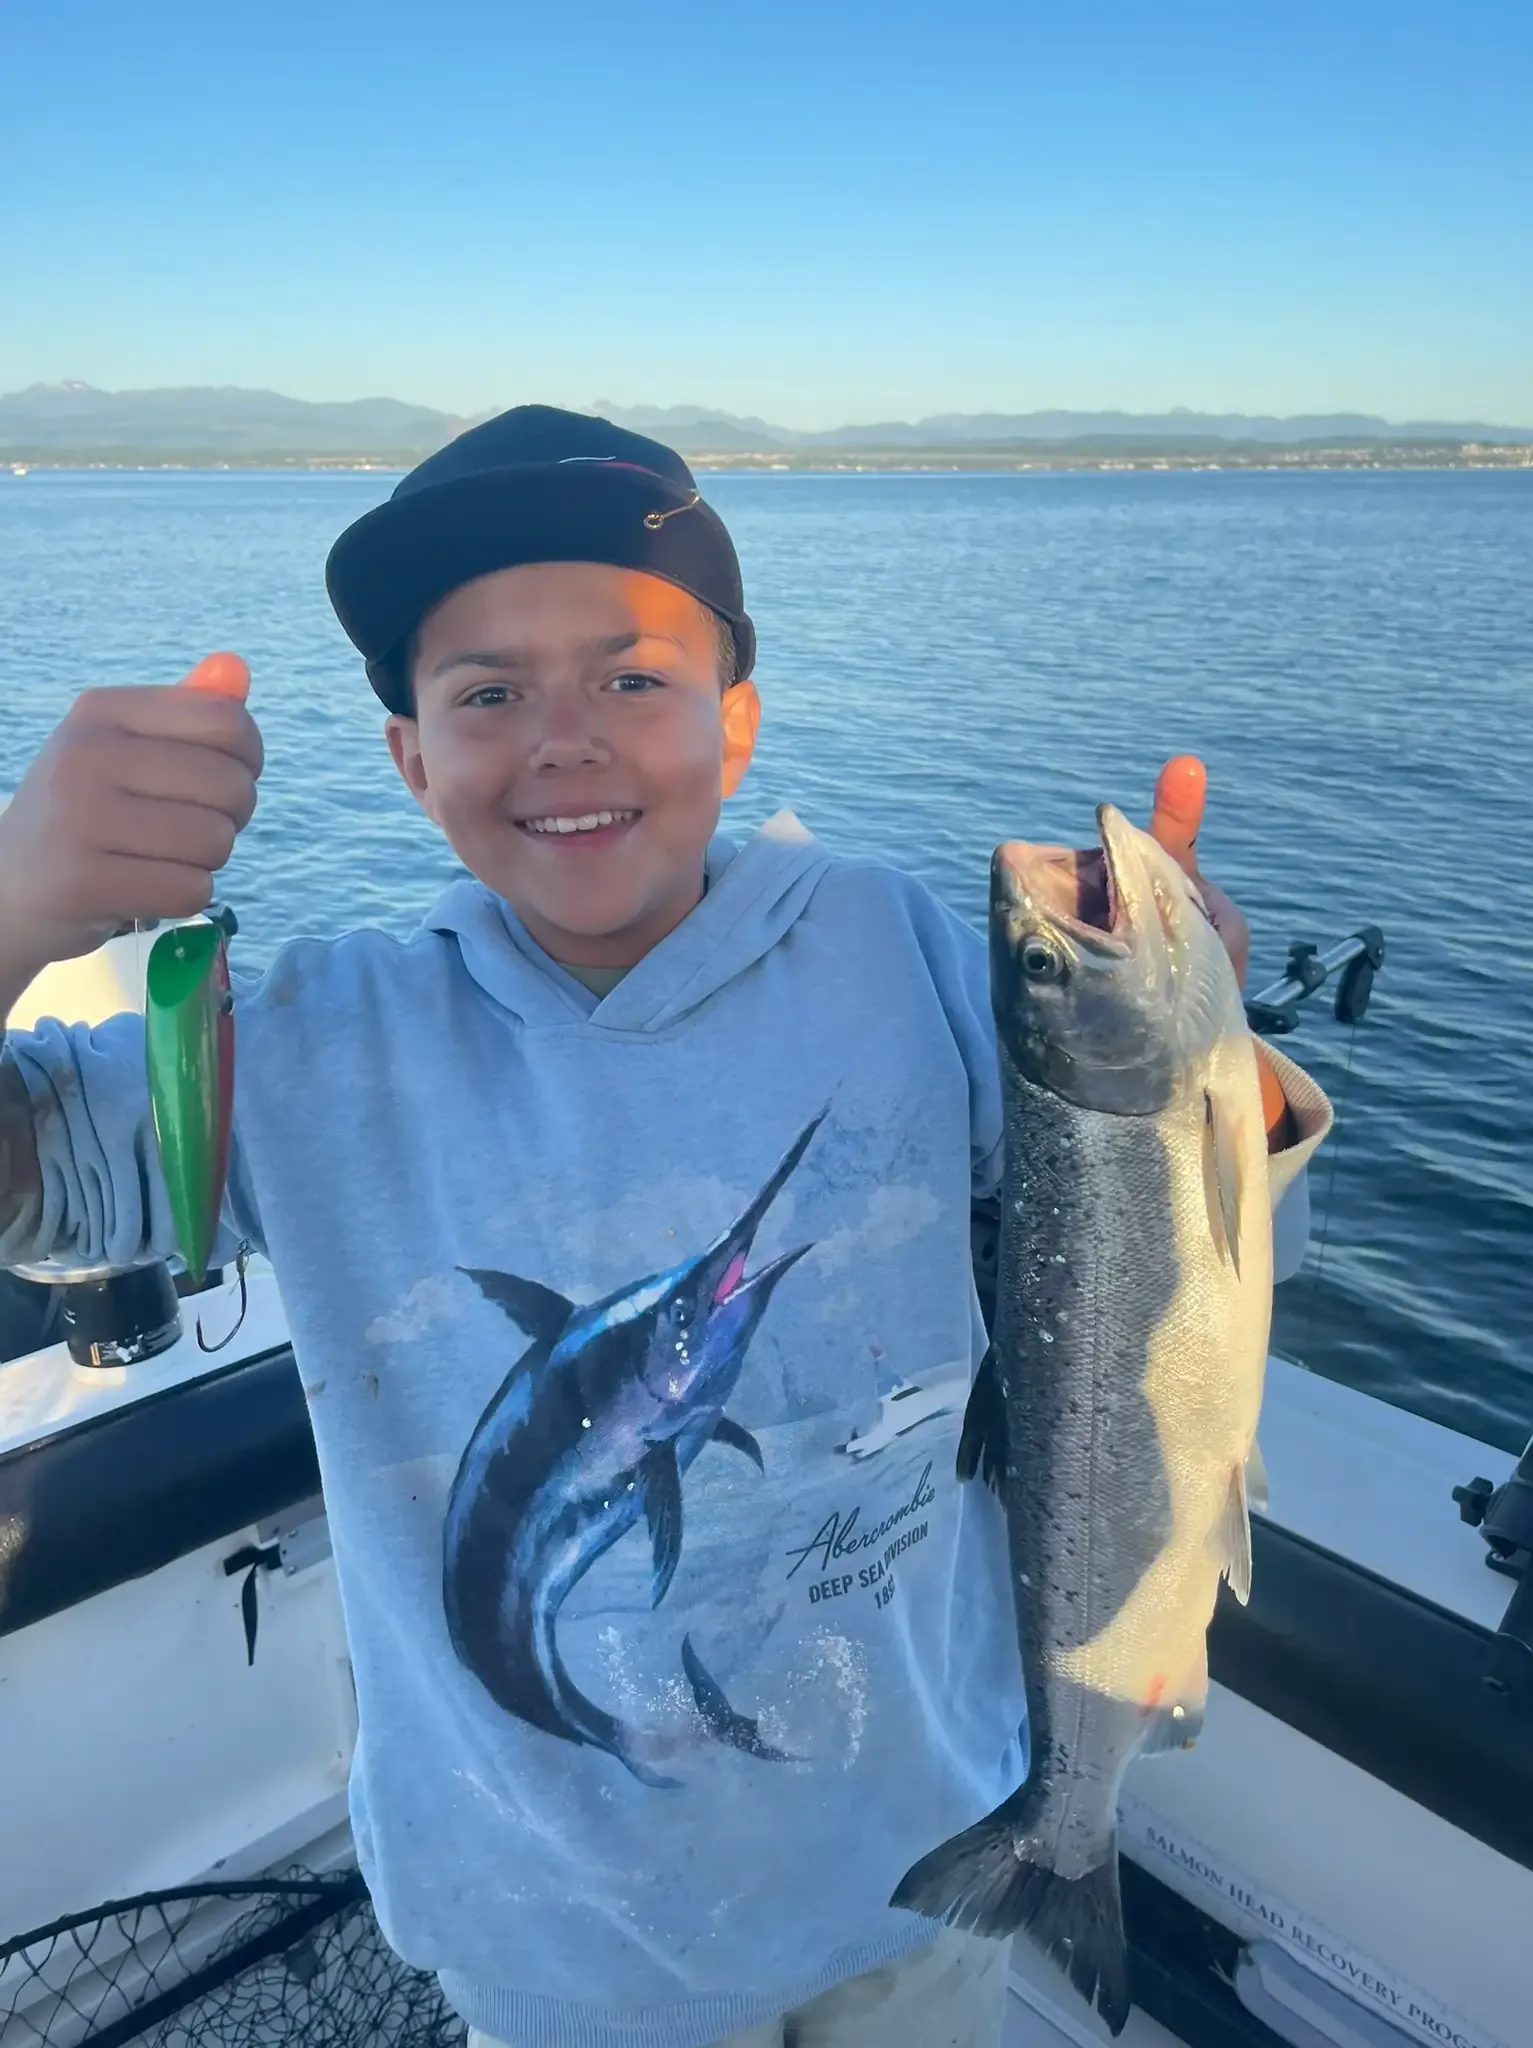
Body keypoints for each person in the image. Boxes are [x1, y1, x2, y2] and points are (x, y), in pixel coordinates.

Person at [0, 407, 1330, 2048]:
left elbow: (1153, 1277)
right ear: (411, 756)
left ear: (738, 722)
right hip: (559, 1953)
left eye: (633, 677)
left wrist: (1199, 1067)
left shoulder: (900, 948)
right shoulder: (294, 1046)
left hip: (924, 1870)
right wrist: (16, 904)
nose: (565, 737)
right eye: (486, 692)